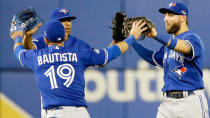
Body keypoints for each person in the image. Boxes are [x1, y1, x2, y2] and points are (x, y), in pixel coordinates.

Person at [11, 20, 147, 118]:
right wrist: (131, 37)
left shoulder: (36, 56)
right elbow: (109, 54)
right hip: (80, 113)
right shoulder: (79, 54)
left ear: (45, 40)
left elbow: (18, 51)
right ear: (65, 36)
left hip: (56, 113)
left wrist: (18, 36)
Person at [132, 2, 209, 118]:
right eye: (165, 15)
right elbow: (153, 58)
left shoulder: (192, 38)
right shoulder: (169, 44)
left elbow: (184, 47)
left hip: (190, 102)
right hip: (167, 104)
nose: (166, 19)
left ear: (183, 17)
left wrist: (156, 36)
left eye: (171, 15)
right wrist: (131, 41)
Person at [23, 8, 92, 50]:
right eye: (62, 21)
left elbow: (96, 59)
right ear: (53, 23)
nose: (67, 23)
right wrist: (28, 36)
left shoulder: (79, 44)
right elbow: (28, 47)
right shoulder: (43, 40)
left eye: (69, 20)